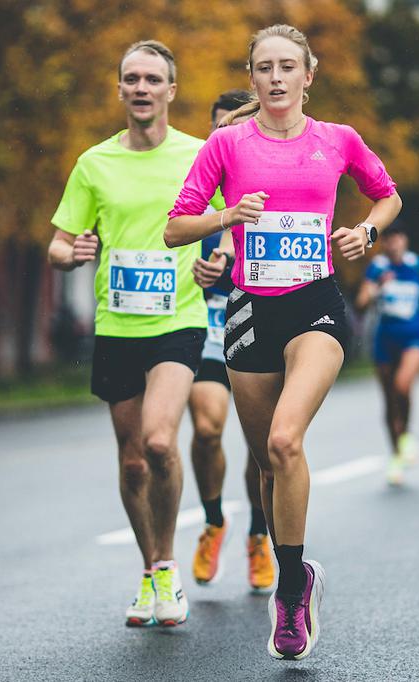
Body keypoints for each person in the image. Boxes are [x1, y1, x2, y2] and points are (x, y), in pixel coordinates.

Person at [164, 24, 402, 660]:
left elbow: (387, 197)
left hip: (315, 308)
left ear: (307, 76)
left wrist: (366, 234)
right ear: (252, 78)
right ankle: (289, 564)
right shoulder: (225, 144)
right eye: (263, 67)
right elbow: (175, 228)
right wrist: (226, 217)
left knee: (283, 440)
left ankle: (292, 588)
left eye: (286, 66)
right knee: (268, 466)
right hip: (248, 312)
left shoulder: (339, 141)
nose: (275, 77)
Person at [47, 40, 217, 627]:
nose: (141, 88)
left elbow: (232, 223)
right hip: (117, 324)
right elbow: (59, 241)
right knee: (132, 463)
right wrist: (72, 253)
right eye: (131, 79)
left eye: (153, 79)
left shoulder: (201, 154)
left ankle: (168, 567)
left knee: (161, 442)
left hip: (179, 319)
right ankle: (148, 569)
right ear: (119, 89)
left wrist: (217, 263)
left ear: (171, 90)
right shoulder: (94, 164)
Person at [185, 89, 274, 592]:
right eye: (218, 130)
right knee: (206, 427)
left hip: (259, 323)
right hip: (209, 327)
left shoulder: (268, 184)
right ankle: (214, 520)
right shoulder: (195, 188)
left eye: (234, 130)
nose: (226, 139)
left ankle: (258, 534)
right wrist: (201, 267)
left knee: (261, 450)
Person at [354, 221, 419, 485]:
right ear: (383, 243)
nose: (393, 243)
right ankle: (395, 454)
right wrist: (375, 290)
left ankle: (405, 436)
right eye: (388, 239)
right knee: (389, 400)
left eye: (398, 238)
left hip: (415, 337)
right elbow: (360, 305)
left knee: (403, 386)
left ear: (405, 241)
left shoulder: (416, 264)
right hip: (385, 341)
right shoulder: (378, 269)